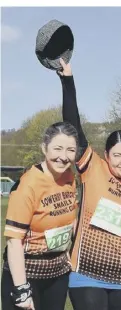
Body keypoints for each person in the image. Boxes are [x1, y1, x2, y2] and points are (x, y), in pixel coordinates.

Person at [57, 59, 121, 310]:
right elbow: (72, 126)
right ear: (107, 154)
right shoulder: (94, 168)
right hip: (86, 274)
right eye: (118, 155)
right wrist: (67, 80)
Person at [1, 122, 79, 310]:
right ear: (44, 148)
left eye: (70, 150)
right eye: (57, 148)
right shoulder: (28, 185)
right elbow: (14, 241)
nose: (63, 156)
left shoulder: (69, 177)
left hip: (57, 275)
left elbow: (71, 220)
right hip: (27, 275)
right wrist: (21, 289)